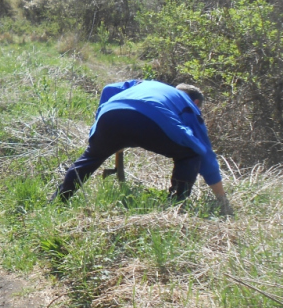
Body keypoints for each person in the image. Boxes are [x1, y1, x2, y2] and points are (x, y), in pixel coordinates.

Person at [53, 80, 232, 215]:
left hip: (111, 113)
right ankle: (175, 207)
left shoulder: (144, 84)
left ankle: (57, 203)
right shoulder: (188, 105)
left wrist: (98, 124)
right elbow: (205, 153)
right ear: (197, 102)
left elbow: (109, 89)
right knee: (192, 153)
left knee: (92, 158)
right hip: (150, 117)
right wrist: (222, 199)